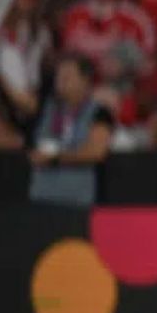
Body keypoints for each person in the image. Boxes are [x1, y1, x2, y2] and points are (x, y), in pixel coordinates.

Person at [28, 54, 114, 207]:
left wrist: (55, 158)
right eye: (58, 75)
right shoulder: (45, 109)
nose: (60, 80)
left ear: (85, 80)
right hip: (42, 195)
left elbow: (96, 152)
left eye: (67, 75)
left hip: (77, 199)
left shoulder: (99, 113)